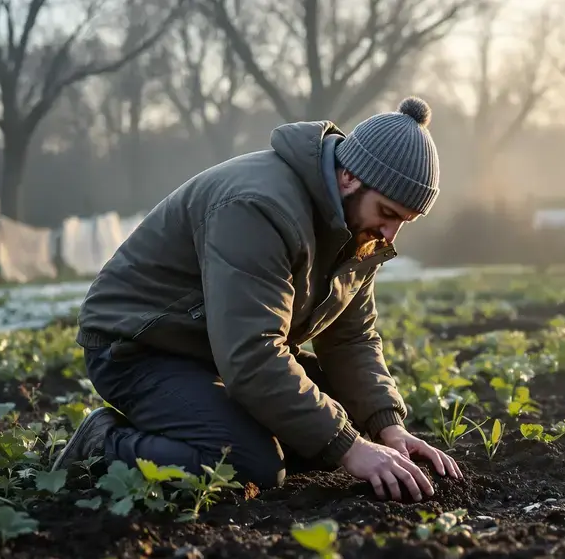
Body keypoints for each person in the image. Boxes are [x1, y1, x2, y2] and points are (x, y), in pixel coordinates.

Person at [54, 96, 462, 502]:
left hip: (210, 346)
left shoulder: (356, 229)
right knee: (250, 465)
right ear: (350, 177)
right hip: (139, 346)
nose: (390, 235)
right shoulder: (259, 207)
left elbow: (351, 338)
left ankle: (203, 426)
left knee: (349, 420)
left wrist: (388, 428)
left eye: (404, 221)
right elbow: (252, 353)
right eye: (387, 213)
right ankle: (102, 443)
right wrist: (349, 448)